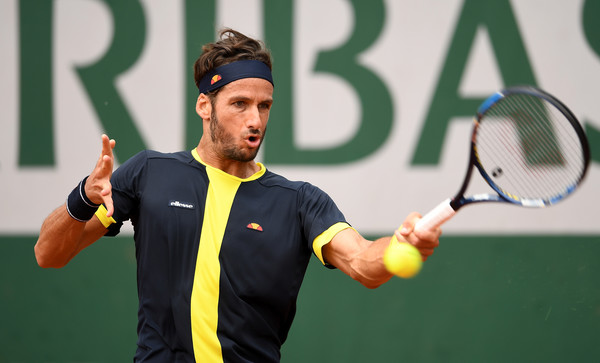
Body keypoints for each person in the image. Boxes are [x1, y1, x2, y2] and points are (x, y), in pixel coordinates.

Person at [35, 28, 441, 362]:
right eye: (239, 104)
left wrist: (398, 246)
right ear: (204, 106)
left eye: (264, 106)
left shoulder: (299, 201)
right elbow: (49, 255)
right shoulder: (148, 173)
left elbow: (362, 262)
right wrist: (83, 199)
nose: (255, 120)